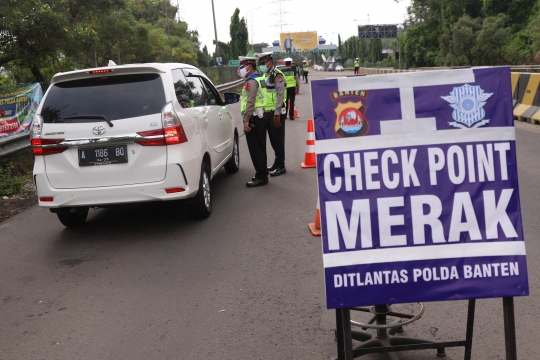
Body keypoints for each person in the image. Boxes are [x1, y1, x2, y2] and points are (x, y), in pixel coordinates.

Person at [238, 56, 269, 187]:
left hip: (254, 117)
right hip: (261, 116)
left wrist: (246, 120)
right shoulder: (260, 78)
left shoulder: (251, 82)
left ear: (249, 67)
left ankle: (261, 176)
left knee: (255, 149)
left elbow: (250, 102)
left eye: (242, 67)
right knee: (260, 147)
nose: (240, 70)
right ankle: (262, 174)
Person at [256, 52, 287, 177]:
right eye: (260, 64)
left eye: (263, 63)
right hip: (268, 111)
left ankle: (281, 166)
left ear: (269, 61)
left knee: (278, 139)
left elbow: (280, 94)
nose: (262, 66)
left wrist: (277, 113)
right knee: (273, 140)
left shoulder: (277, 75)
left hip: (276, 112)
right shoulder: (265, 75)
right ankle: (277, 162)